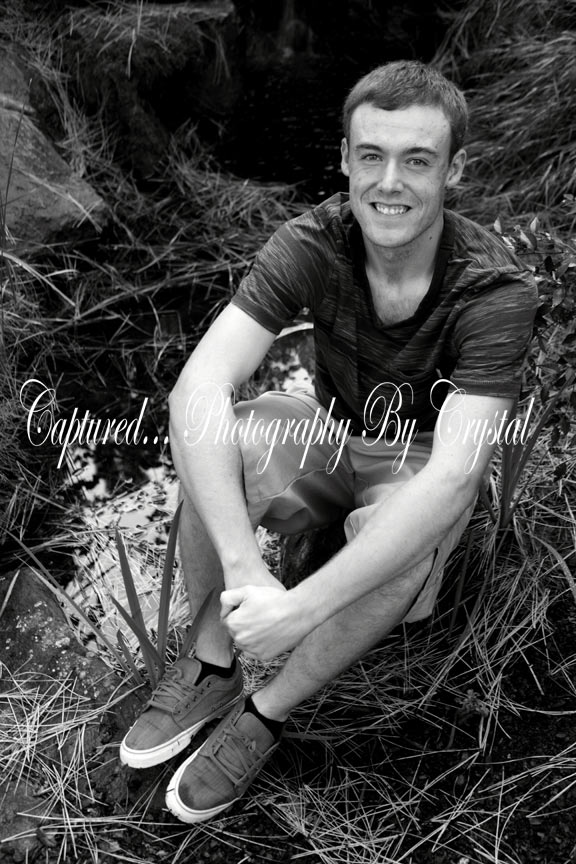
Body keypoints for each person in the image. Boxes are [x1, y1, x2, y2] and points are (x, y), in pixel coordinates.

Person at [119, 60, 537, 823]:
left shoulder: (493, 289)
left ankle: (266, 711)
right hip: (333, 435)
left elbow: (453, 478)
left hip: (414, 465)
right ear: (345, 158)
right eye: (371, 155)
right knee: (215, 439)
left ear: (454, 169)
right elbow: (196, 387)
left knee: (409, 531)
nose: (389, 182)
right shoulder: (313, 239)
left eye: (417, 160)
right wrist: (247, 567)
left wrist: (297, 610)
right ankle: (212, 663)